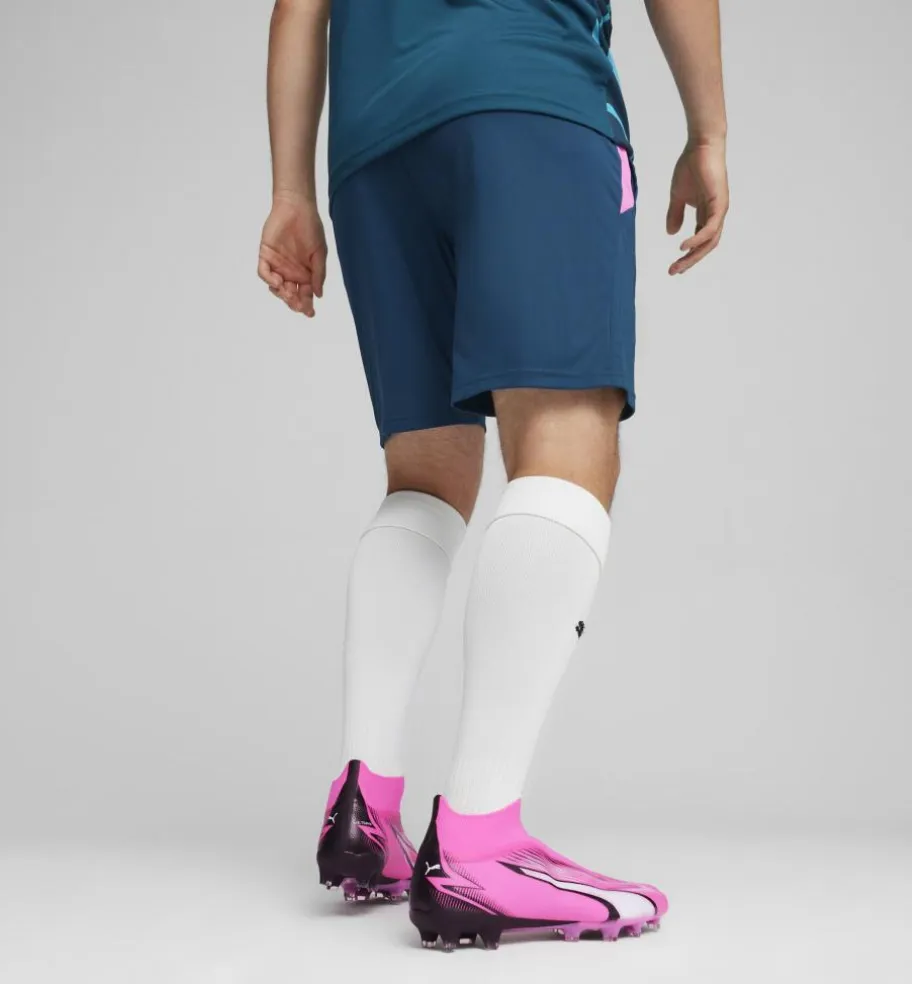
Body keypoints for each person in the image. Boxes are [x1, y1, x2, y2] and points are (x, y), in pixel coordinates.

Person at [260, 0, 728, 951]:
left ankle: (365, 803)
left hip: (372, 145)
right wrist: (709, 131)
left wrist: (291, 190)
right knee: (567, 437)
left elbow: (298, 7)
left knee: (425, 469)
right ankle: (479, 845)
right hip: (528, 94)